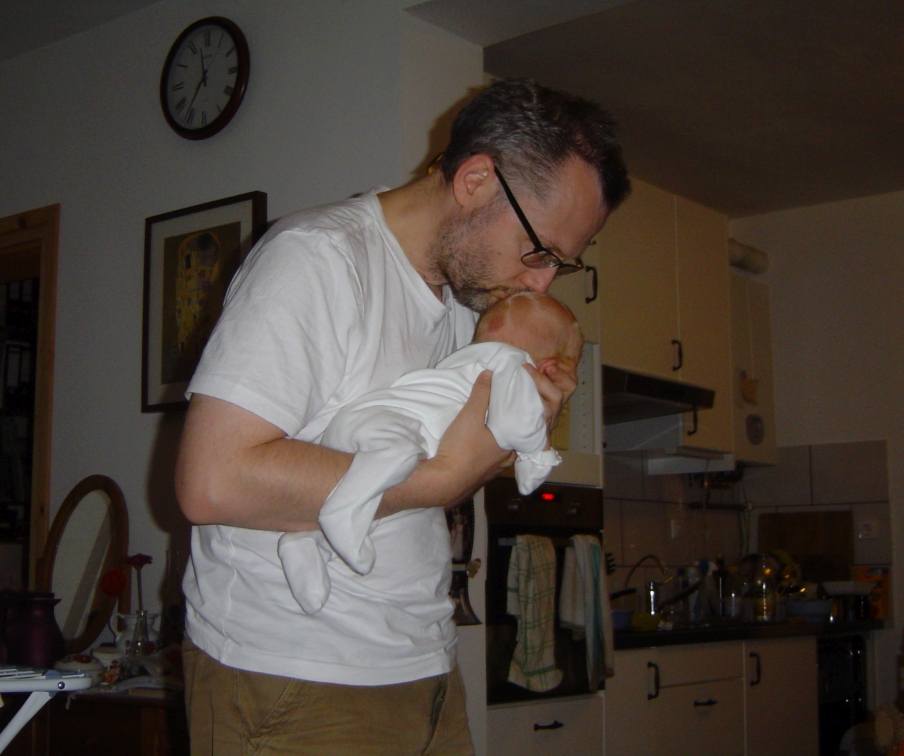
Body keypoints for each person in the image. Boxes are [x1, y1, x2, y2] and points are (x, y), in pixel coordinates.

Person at [175, 77, 629, 754]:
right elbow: (211, 481)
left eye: (562, 265)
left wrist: (508, 433)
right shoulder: (318, 259)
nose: (540, 283)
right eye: (539, 252)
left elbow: (428, 471)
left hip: (423, 667)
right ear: (475, 180)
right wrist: (443, 479)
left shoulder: (467, 308)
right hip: (294, 679)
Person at [278, 292, 583, 615]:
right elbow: (514, 426)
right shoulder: (512, 363)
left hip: (361, 427)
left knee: (393, 493)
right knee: (398, 459)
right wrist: (539, 454)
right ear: (549, 368)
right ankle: (343, 511)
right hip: (388, 431)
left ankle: (307, 540)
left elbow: (427, 488)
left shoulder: (463, 360)